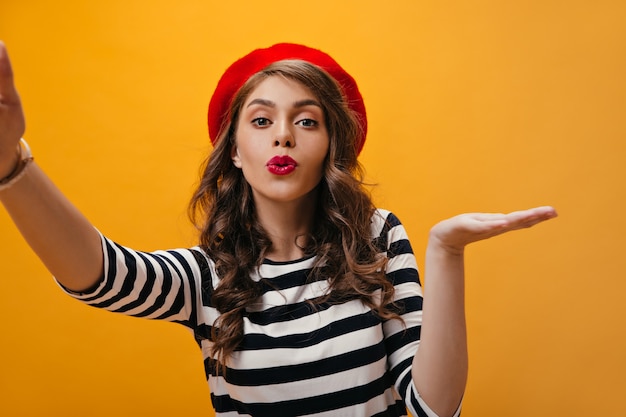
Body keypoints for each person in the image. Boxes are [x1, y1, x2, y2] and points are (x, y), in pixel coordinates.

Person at [0, 41, 556, 417]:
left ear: (331, 146)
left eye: (306, 120)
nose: (283, 136)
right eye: (261, 120)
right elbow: (100, 274)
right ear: (236, 152)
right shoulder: (207, 277)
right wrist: (12, 168)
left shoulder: (378, 239)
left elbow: (430, 408)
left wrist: (445, 252)